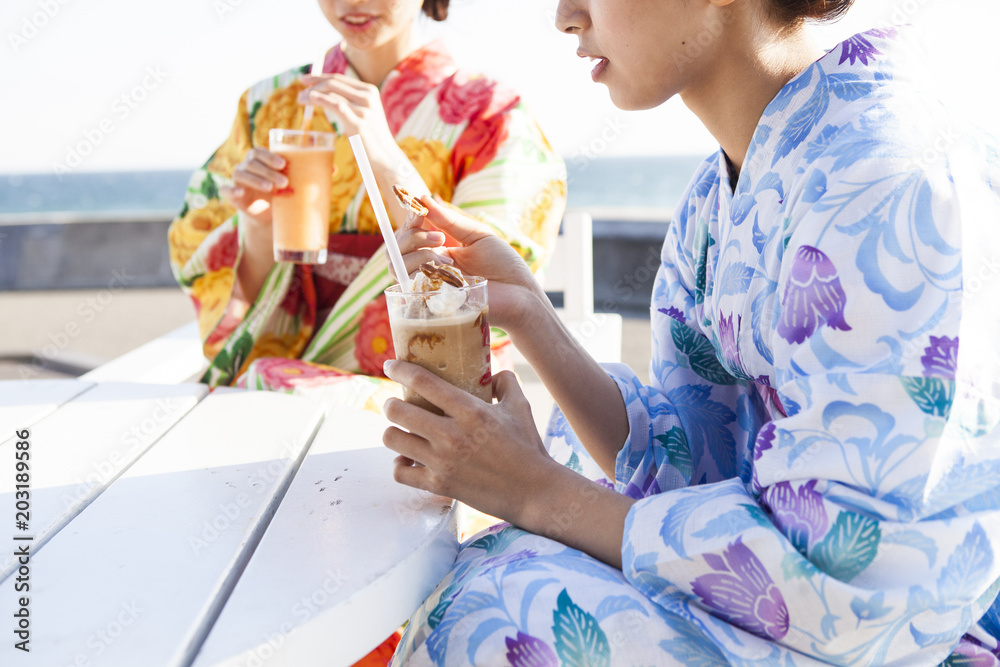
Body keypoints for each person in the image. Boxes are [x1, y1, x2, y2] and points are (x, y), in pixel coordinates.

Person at [381, 0, 1000, 664]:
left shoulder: (889, 175)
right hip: (772, 608)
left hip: (879, 640)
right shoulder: (724, 183)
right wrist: (530, 312)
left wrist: (538, 492)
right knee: (477, 568)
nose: (565, 16)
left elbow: (854, 580)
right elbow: (694, 454)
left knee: (499, 617)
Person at [167, 0, 566, 398]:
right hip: (291, 365)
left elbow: (505, 279)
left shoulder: (492, 113)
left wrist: (387, 158)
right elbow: (209, 262)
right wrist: (257, 228)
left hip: (436, 376)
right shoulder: (271, 105)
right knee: (260, 388)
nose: (350, 2)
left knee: (262, 390)